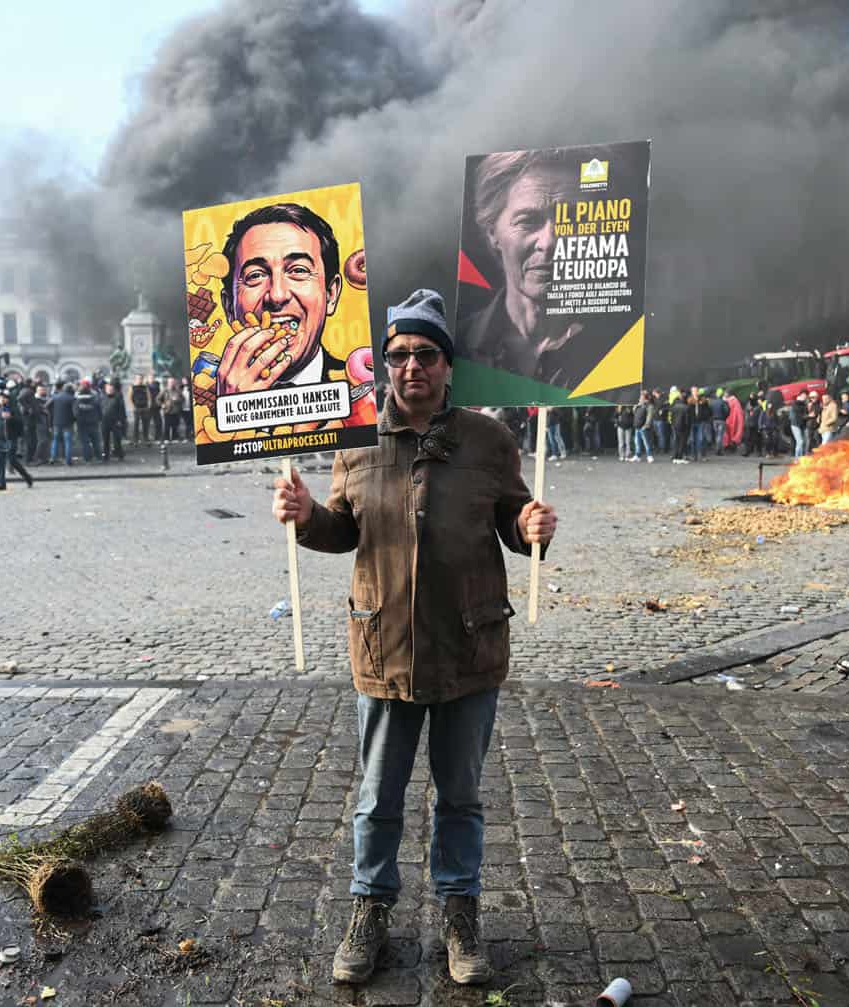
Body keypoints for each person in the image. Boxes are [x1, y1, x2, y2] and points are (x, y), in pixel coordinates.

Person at [272, 289, 556, 988]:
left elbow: (514, 519)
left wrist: (531, 528)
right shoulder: (356, 441)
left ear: (448, 367)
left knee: (460, 797)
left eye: (425, 354)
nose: (410, 367)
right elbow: (345, 530)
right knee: (378, 798)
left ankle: (459, 913)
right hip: (385, 650)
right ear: (386, 365)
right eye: (397, 355)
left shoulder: (489, 441)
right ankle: (370, 908)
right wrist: (308, 515)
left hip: (468, 649)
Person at [458, 148, 612, 386]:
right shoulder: (458, 347)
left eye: (570, 220)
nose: (549, 242)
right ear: (492, 232)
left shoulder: (617, 352)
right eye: (528, 221)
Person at [215, 202, 346, 397]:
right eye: (255, 275)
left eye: (298, 271)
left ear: (331, 294)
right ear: (229, 307)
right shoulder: (203, 412)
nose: (277, 295)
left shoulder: (359, 390)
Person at [0, 387, 33, 491]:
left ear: (8, 399)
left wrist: (10, 418)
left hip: (10, 439)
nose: (2, 400)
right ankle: (1, 483)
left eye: (4, 398)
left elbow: (20, 423)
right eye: (0, 398)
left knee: (12, 461)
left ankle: (27, 477)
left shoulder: (14, 410)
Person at [74, 379, 102, 462]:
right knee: (96, 441)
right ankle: (99, 458)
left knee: (85, 442)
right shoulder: (95, 398)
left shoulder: (77, 400)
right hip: (93, 422)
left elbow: (75, 413)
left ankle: (87, 459)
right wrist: (99, 419)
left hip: (82, 424)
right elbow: (99, 410)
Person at [50, 381, 77, 465]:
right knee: (68, 442)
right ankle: (68, 461)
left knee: (55, 440)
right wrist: (74, 419)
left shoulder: (55, 397)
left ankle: (53, 458)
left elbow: (46, 406)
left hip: (56, 422)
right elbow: (75, 412)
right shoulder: (72, 398)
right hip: (68, 423)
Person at [101, 379, 127, 461]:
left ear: (113, 389)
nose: (109, 390)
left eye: (111, 389)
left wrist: (121, 420)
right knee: (105, 440)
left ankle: (119, 454)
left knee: (117, 439)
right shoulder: (102, 397)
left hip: (115, 421)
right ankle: (106, 455)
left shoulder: (118, 397)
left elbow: (121, 409)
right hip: (104, 421)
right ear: (105, 389)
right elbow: (99, 408)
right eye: (108, 389)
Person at [669, 388, 690, 464]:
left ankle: (675, 457)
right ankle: (679, 457)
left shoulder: (674, 407)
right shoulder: (686, 408)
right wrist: (687, 427)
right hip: (683, 427)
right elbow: (687, 420)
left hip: (675, 426)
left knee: (676, 442)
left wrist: (673, 424)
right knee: (682, 442)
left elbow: (671, 417)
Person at [131, 377, 153, 443]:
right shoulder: (132, 387)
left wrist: (149, 405)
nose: (139, 380)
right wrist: (133, 406)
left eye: (141, 379)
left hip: (145, 407)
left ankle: (145, 438)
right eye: (138, 379)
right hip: (137, 408)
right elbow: (130, 398)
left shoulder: (145, 387)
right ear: (135, 379)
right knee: (136, 424)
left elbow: (149, 397)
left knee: (145, 424)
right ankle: (135, 439)